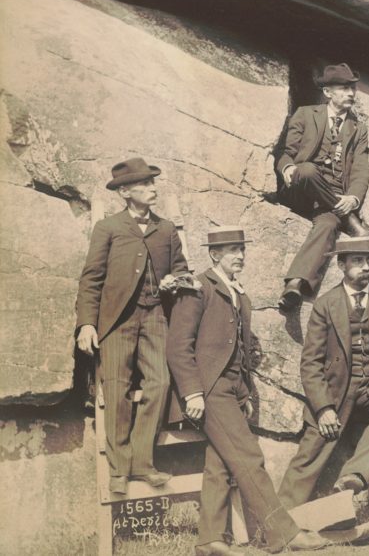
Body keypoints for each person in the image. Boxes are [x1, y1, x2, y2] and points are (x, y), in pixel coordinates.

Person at [166, 227, 328, 555]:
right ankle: (282, 534)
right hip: (209, 390)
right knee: (249, 457)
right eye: (231, 250)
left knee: (221, 462)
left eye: (241, 249)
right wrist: (192, 392)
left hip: (232, 391)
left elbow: (238, 351)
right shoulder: (198, 288)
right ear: (214, 255)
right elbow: (178, 347)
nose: (239, 255)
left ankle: (210, 540)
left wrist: (245, 394)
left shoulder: (239, 293)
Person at [75, 157, 191, 497]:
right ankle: (119, 469)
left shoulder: (167, 229)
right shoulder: (109, 228)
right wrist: (86, 324)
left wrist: (174, 279)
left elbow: (183, 270)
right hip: (116, 322)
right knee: (116, 389)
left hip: (155, 316)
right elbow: (91, 279)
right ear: (125, 192)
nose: (153, 189)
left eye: (153, 183)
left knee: (161, 381)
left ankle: (142, 461)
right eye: (145, 184)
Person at [277, 238, 369, 509]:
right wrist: (324, 407)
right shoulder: (326, 304)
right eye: (357, 261)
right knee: (312, 449)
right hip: (337, 393)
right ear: (341, 265)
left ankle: (355, 474)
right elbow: (311, 363)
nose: (366, 267)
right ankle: (277, 521)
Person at [277, 63, 369, 311]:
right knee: (307, 169)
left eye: (353, 88)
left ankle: (295, 283)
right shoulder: (306, 114)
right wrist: (286, 168)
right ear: (328, 92)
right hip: (302, 188)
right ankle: (350, 221)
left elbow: (361, 169)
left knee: (329, 224)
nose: (351, 93)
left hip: (330, 202)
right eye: (344, 88)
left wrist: (353, 198)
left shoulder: (358, 129)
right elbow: (287, 153)